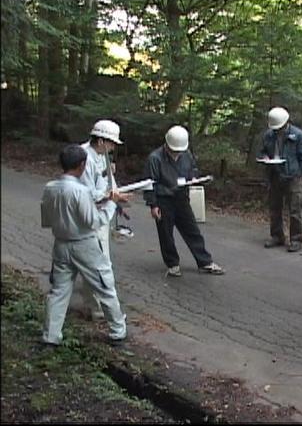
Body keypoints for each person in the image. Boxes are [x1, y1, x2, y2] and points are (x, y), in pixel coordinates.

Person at [40, 144, 128, 345]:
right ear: (81, 165)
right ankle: (118, 330)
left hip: (60, 244)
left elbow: (46, 219)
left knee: (58, 291)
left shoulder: (50, 188)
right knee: (104, 286)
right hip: (84, 244)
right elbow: (93, 221)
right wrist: (112, 203)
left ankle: (51, 336)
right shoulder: (80, 191)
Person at [143, 125, 224, 276]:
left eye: (179, 151)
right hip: (163, 199)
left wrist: (194, 179)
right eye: (174, 151)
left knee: (192, 230)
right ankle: (172, 264)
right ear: (166, 145)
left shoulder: (186, 154)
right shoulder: (155, 158)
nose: (177, 154)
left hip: (181, 197)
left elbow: (193, 169)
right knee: (166, 233)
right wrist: (153, 205)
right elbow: (149, 183)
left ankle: (204, 262)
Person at [78, 119, 125, 321]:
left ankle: (95, 305)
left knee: (99, 261)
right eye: (111, 142)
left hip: (104, 214)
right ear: (100, 140)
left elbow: (108, 184)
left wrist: (117, 199)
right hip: (90, 216)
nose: (113, 147)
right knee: (97, 264)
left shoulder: (103, 156)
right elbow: (87, 193)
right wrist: (109, 197)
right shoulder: (83, 158)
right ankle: (98, 308)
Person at [257, 107, 302, 252]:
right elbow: (262, 151)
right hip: (275, 175)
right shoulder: (268, 135)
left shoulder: (298, 135)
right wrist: (264, 158)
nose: (277, 131)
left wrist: (297, 172)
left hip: (292, 178)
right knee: (274, 208)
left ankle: (296, 239)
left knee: (295, 209)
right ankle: (277, 235)